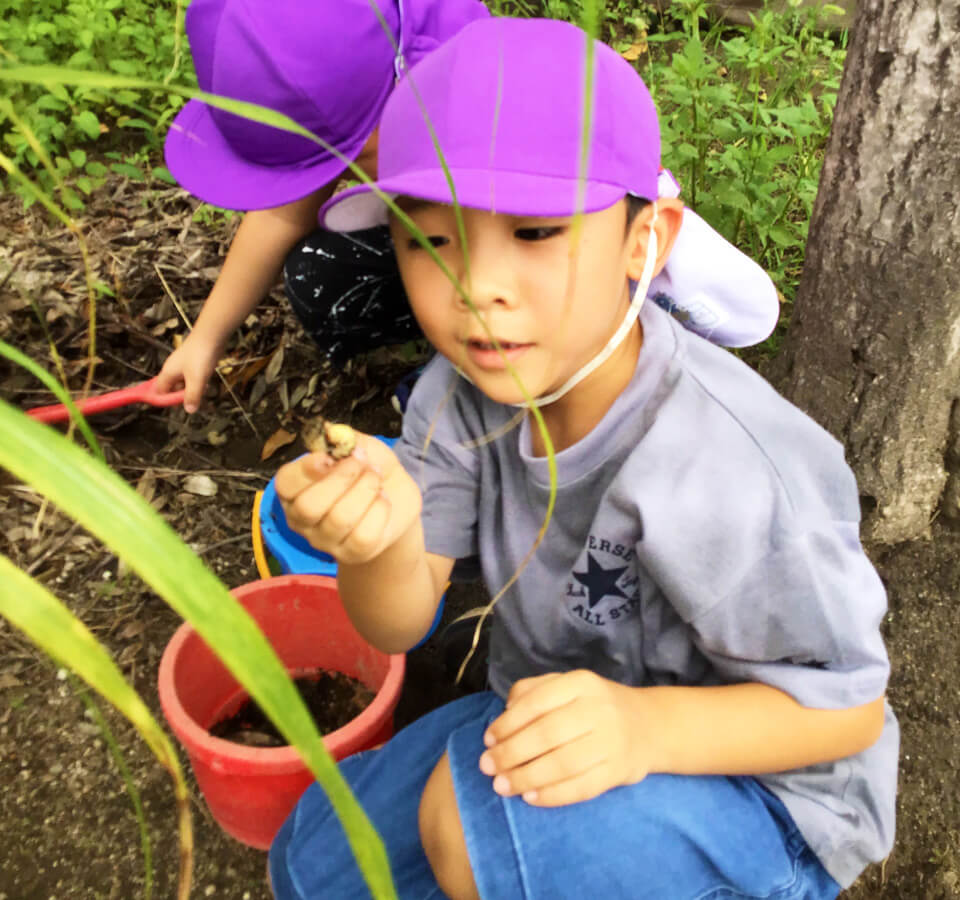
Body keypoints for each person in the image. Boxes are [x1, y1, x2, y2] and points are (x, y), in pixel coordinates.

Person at [268, 16, 897, 900]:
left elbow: (847, 711)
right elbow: (400, 625)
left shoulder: (730, 466)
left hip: (768, 791)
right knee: (314, 867)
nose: (474, 289)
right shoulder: (459, 389)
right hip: (573, 699)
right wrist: (379, 542)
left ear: (646, 241)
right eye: (429, 238)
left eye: (534, 232)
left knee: (472, 833)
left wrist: (642, 728)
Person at [156, 0, 780, 413]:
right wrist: (205, 339)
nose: (330, 177)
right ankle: (476, 371)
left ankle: (602, 349)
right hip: (457, 233)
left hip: (581, 267)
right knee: (323, 275)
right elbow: (284, 207)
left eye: (343, 159)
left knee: (547, 287)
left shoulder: (491, 98)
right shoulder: (327, 68)